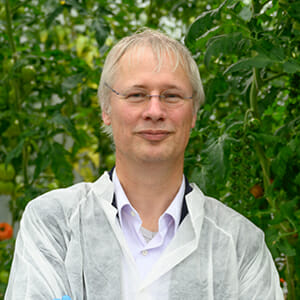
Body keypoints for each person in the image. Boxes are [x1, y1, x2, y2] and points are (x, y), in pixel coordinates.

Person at [5, 29, 283, 300]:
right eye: (136, 95)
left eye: (172, 95)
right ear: (106, 110)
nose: (154, 111)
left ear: (194, 113)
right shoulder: (54, 224)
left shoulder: (241, 244)